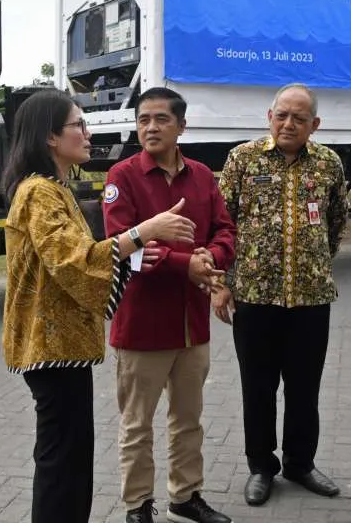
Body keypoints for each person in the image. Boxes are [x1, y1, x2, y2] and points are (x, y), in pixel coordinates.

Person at [0, 89, 197, 523]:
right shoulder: (39, 193)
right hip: (51, 349)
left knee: (68, 461)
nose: (88, 134)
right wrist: (144, 231)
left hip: (62, 348)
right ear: (51, 137)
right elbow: (73, 261)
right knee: (61, 465)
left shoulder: (54, 189)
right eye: (78, 125)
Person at [102, 87, 237, 523]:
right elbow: (127, 250)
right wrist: (188, 265)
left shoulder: (201, 176)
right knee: (137, 425)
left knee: (188, 420)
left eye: (161, 119)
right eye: (143, 120)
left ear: (182, 125)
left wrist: (210, 259)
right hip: (142, 326)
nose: (151, 127)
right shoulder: (121, 177)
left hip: (192, 326)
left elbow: (225, 232)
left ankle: (185, 495)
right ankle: (138, 505)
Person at [213, 83, 348, 507]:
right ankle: (260, 466)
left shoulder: (328, 164)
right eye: (282, 115)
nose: (289, 124)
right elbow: (223, 223)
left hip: (311, 297)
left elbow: (335, 223)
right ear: (269, 115)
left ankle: (300, 463)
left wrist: (312, 262)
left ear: (315, 124)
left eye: (299, 118)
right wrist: (221, 283)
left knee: (305, 387)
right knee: (258, 387)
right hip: (254, 297)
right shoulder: (243, 159)